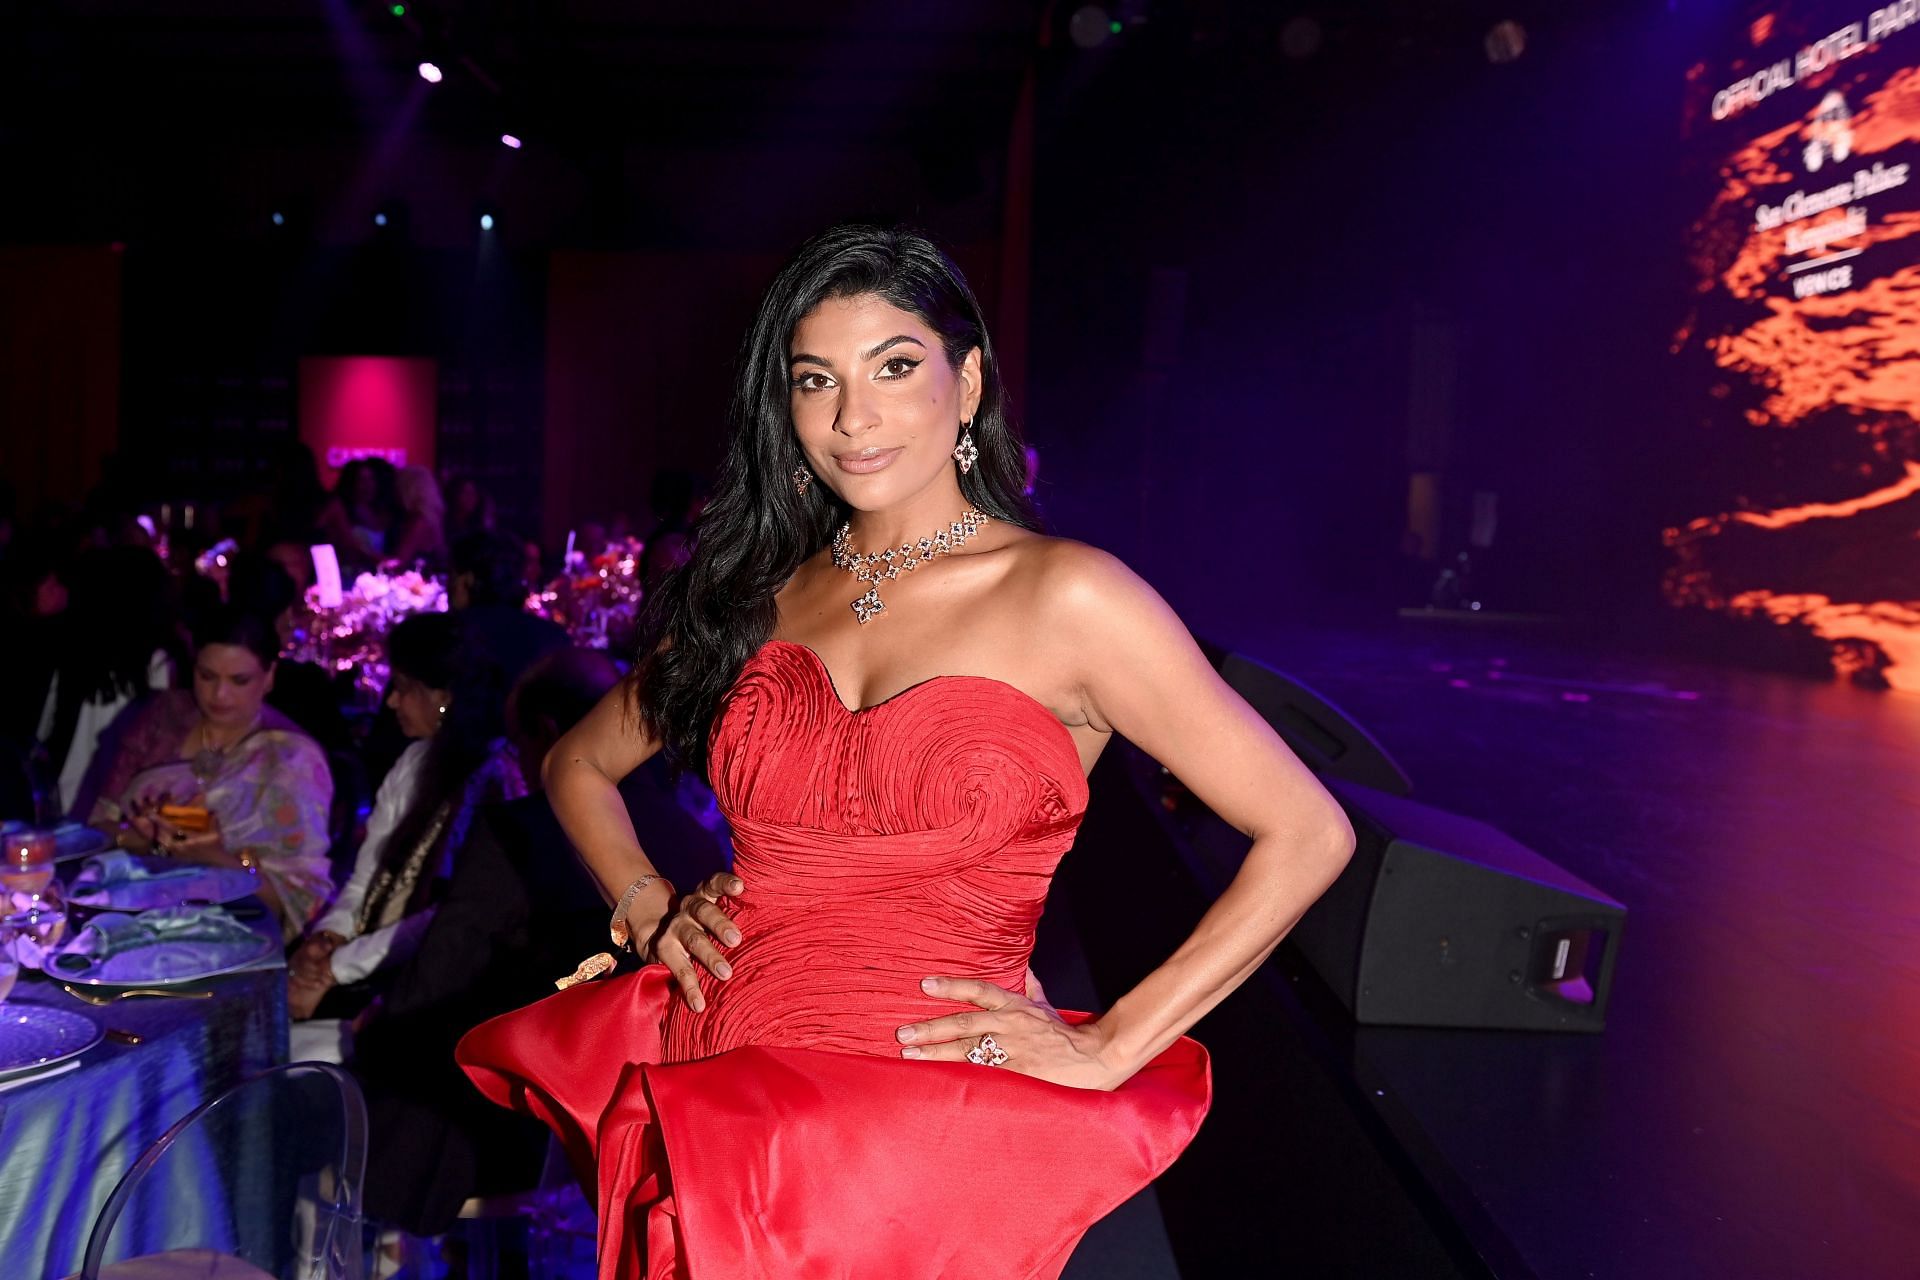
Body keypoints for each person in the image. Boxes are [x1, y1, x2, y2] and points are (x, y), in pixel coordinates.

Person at [457, 225, 1356, 1278]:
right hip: (716, 1086)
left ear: (965, 382)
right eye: (815, 379)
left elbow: (1307, 831)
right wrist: (649, 903)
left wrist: (1116, 1038)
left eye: (894, 367)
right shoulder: (755, 600)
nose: (853, 416)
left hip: (918, 1138)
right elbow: (576, 761)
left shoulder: (1069, 595)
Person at [350, 647, 729, 1235]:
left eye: (520, 744)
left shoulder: (517, 828)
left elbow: (436, 980)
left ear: (552, 734)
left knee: (358, 1078)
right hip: (645, 1134)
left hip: (520, 1125)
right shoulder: (698, 839)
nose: (520, 762)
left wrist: (373, 1026)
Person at [287, 611, 525, 1057]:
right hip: (363, 961)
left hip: (426, 988)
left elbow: (442, 920)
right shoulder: (415, 762)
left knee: (286, 1056)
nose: (391, 702)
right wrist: (328, 937)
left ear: (442, 697)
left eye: (401, 688)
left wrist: (336, 970)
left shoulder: (492, 781)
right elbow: (366, 876)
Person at [89, 605, 334, 939]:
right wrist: (141, 840)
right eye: (206, 676)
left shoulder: (290, 759)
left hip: (232, 935)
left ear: (270, 677)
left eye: (239, 680)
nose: (220, 695)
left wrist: (214, 857)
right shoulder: (161, 721)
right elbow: (94, 829)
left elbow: (293, 901)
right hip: (127, 917)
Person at [38, 545, 185, 818]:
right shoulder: (157, 663)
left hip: (63, 803)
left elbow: (44, 734)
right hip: (113, 809)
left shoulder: (70, 656)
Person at [388, 465, 448, 569]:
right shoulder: (431, 517)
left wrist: (362, 551)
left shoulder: (420, 521)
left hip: (414, 581)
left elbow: (399, 561)